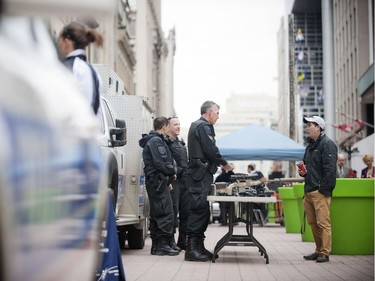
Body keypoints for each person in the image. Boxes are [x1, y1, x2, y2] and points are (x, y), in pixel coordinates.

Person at [185, 101, 234, 262]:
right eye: (217, 113)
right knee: (199, 210)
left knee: (203, 211)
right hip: (199, 175)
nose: (218, 117)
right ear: (210, 112)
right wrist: (225, 164)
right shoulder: (202, 126)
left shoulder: (200, 126)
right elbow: (211, 150)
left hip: (201, 174)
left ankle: (198, 247)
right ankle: (191, 250)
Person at [138, 117, 179, 256]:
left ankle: (157, 246)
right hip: (157, 182)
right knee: (165, 213)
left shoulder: (155, 140)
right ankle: (162, 245)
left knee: (157, 214)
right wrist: (172, 172)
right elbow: (161, 163)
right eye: (169, 126)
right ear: (165, 126)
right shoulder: (156, 141)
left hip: (158, 182)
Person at [299, 116, 337, 263]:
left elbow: (330, 170)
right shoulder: (310, 146)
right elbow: (307, 167)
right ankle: (318, 250)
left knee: (323, 223)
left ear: (318, 127)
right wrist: (302, 172)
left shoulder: (328, 144)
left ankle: (325, 252)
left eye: (309, 125)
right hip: (308, 190)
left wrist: (322, 190)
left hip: (319, 191)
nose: (307, 127)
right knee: (313, 223)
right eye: (307, 125)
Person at [58, 21, 103, 115]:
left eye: (59, 41)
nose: (58, 45)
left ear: (66, 42)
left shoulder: (70, 67)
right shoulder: (92, 70)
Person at [165, 116, 190, 251]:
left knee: (186, 211)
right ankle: (171, 241)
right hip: (174, 181)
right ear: (168, 127)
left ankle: (182, 240)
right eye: (175, 124)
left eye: (179, 124)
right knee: (173, 211)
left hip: (185, 182)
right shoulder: (166, 143)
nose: (178, 126)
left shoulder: (181, 143)